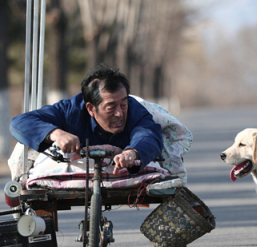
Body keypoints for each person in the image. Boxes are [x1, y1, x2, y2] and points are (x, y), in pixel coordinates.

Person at [10, 65, 163, 175]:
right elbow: (20, 122)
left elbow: (148, 134)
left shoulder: (135, 109)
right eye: (110, 107)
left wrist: (132, 153)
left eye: (123, 104)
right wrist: (56, 134)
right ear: (90, 108)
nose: (119, 114)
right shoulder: (70, 111)